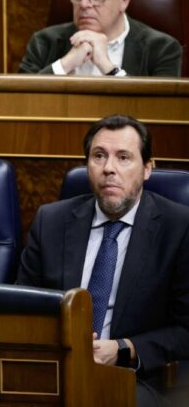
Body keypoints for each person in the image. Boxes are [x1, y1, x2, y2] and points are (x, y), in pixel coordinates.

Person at [17, 115, 189, 406]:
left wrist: (123, 349)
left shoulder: (179, 227)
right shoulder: (52, 221)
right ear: (87, 165)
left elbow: (186, 329)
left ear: (147, 168)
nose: (109, 168)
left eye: (123, 157)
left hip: (136, 379)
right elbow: (21, 309)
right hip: (54, 369)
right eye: (99, 156)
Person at [18, 0, 181, 76]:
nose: (83, 4)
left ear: (124, 0)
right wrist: (65, 64)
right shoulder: (44, 42)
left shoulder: (162, 49)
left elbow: (158, 110)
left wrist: (108, 67)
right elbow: (19, 103)